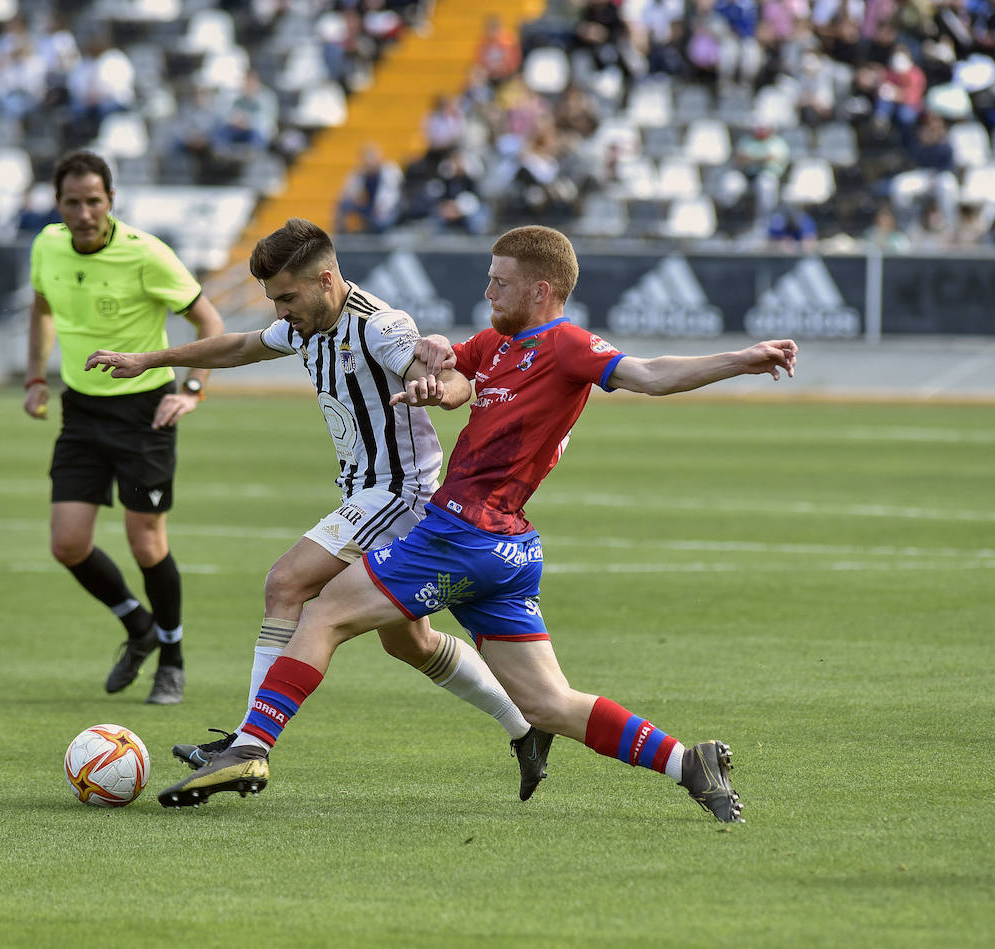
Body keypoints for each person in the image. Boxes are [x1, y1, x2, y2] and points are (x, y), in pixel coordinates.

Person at [160, 225, 800, 822]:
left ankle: (251, 746)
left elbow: (651, 375)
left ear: (540, 289)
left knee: (320, 610)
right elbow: (455, 379)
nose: (486, 290)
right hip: (508, 546)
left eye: (499, 281)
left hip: (461, 534)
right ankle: (689, 762)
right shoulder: (495, 344)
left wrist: (742, 359)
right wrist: (435, 376)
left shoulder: (567, 345)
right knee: (547, 703)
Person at [85, 218, 555, 800]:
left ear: (326, 279)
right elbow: (240, 344)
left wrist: (439, 388)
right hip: (367, 492)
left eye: (286, 297)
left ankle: (248, 745)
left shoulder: (378, 325)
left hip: (399, 492)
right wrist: (151, 359)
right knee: (411, 643)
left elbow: (443, 377)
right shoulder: (306, 323)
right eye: (273, 299)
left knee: (286, 583)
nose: (279, 311)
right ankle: (525, 726)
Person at [25, 150, 225, 705]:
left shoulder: (146, 255)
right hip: (81, 413)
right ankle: (137, 626)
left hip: (144, 415)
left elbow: (209, 321)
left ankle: (173, 656)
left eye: (94, 201)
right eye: (73, 202)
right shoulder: (46, 245)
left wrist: (191, 389)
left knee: (146, 543)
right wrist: (33, 379)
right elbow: (41, 309)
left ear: (111, 201)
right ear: (57, 203)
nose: (84, 212)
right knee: (67, 544)